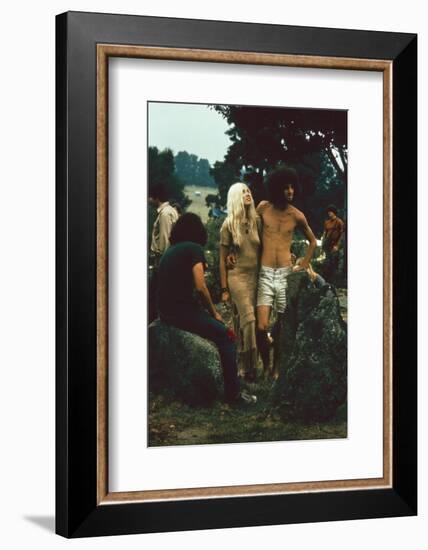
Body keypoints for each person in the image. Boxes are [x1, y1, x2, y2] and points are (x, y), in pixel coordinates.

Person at [157, 212, 256, 405]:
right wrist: (214, 313)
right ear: (197, 231)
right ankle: (234, 395)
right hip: (182, 312)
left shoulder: (172, 250)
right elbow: (201, 286)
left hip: (166, 312)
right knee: (227, 336)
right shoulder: (194, 249)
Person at [256, 165, 317, 377]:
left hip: (284, 275)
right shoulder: (263, 208)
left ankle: (276, 368)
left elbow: (312, 242)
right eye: (285, 188)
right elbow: (249, 234)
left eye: (292, 187)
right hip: (264, 273)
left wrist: (302, 264)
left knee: (282, 328)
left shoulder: (298, 216)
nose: (290, 191)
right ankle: (265, 364)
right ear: (276, 189)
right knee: (262, 327)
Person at [219, 183, 261, 381]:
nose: (247, 193)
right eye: (243, 192)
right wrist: (224, 288)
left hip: (256, 277)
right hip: (236, 276)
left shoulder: (257, 221)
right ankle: (248, 369)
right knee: (249, 320)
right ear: (235, 196)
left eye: (248, 190)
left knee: (247, 323)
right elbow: (222, 260)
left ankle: (246, 367)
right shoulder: (228, 224)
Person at [148, 183, 180, 323]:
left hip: (162, 261)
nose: (148, 200)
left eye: (149, 197)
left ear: (156, 197)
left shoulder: (165, 213)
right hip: (164, 260)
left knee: (155, 296)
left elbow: (165, 240)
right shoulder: (168, 211)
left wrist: (162, 264)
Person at [321, 205, 345, 282]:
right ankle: (326, 279)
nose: (329, 213)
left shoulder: (339, 222)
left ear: (334, 213)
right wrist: (323, 242)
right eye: (328, 212)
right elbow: (325, 233)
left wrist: (337, 245)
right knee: (327, 261)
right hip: (327, 244)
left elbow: (342, 234)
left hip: (335, 244)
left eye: (330, 212)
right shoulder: (327, 222)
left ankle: (335, 281)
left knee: (335, 262)